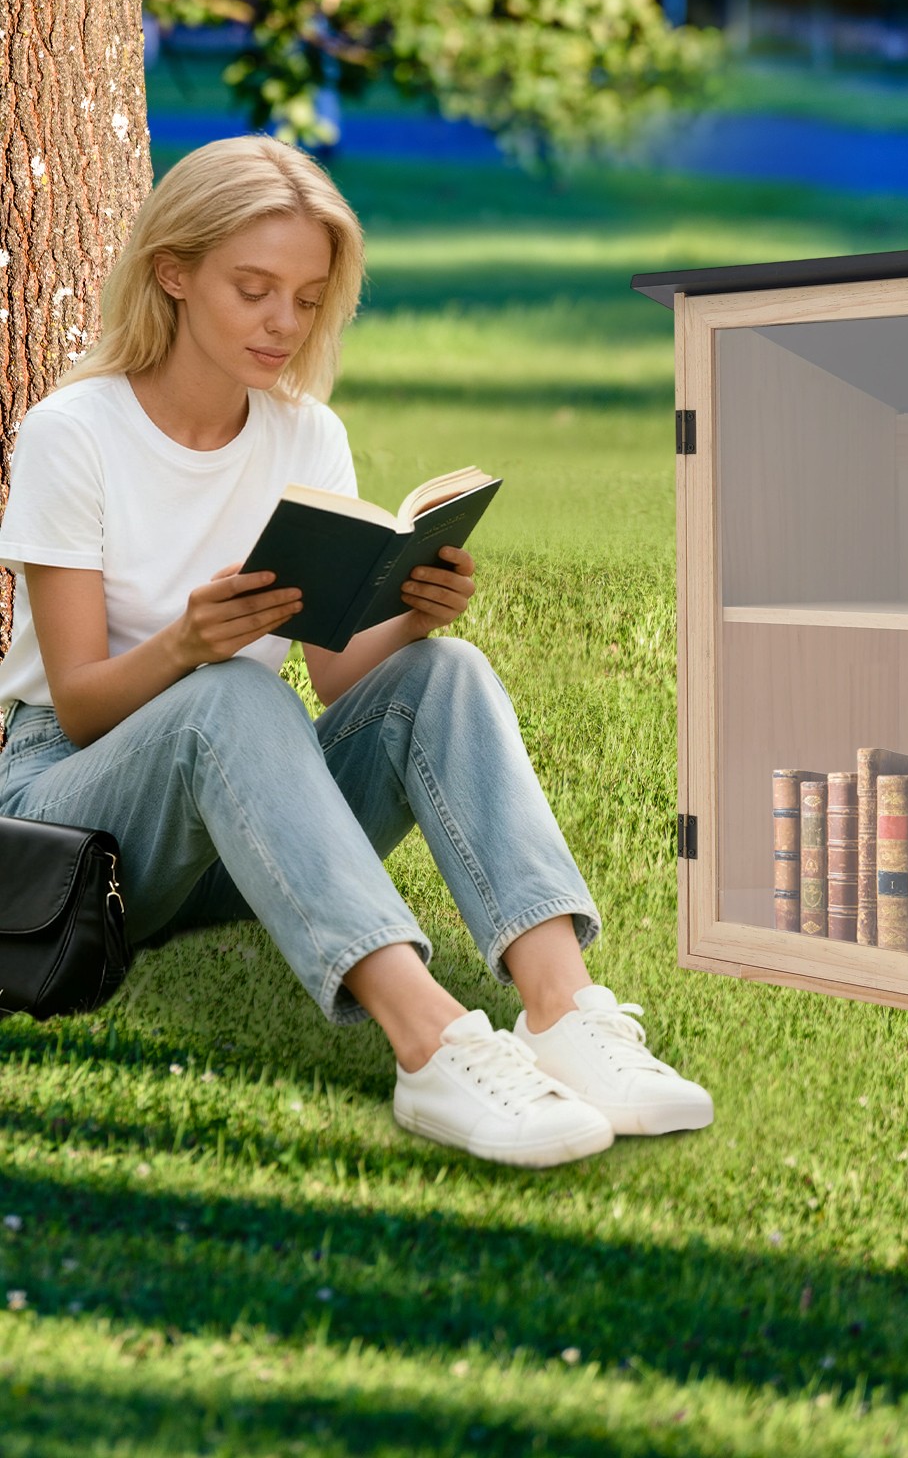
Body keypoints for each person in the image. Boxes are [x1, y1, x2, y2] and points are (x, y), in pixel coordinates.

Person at [0, 135, 712, 1168]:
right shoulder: (76, 434)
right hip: (68, 815)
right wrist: (191, 645)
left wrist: (413, 614)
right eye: (254, 290)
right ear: (175, 272)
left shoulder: (305, 435)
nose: (282, 323)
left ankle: (563, 1011)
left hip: (238, 812)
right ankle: (432, 1045)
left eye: (305, 296)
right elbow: (78, 704)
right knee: (235, 699)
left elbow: (338, 674)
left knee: (445, 675)